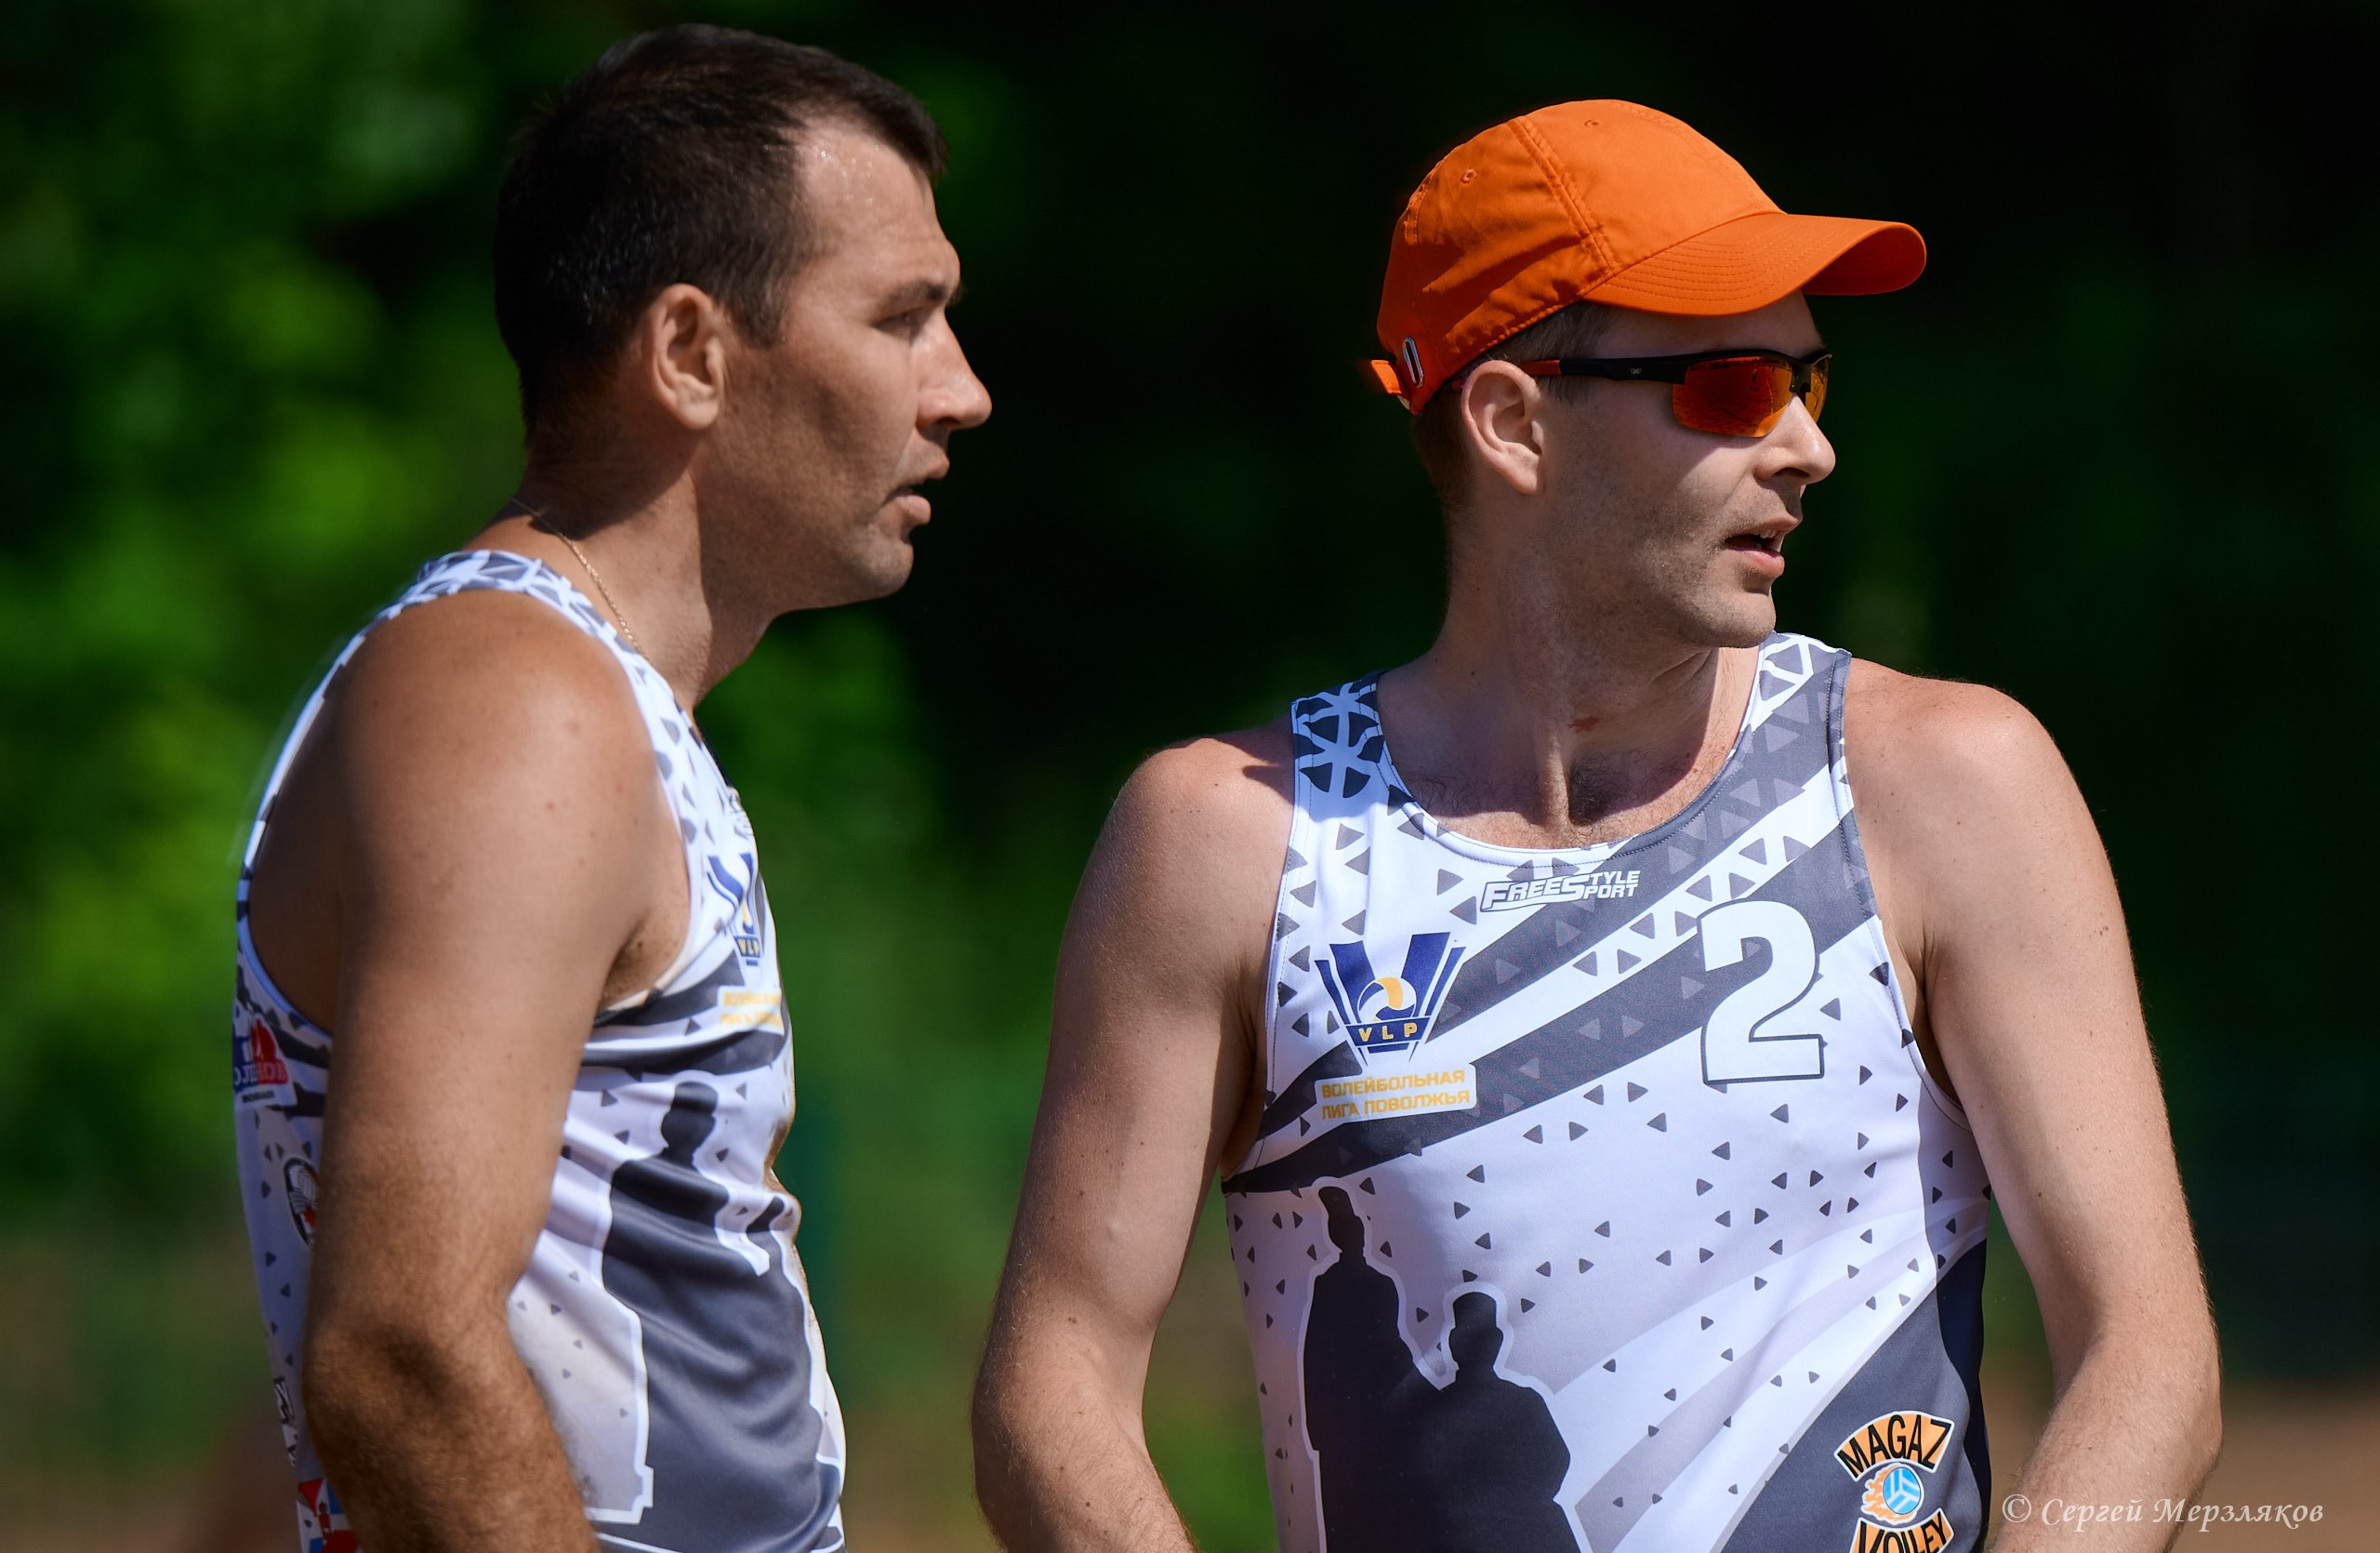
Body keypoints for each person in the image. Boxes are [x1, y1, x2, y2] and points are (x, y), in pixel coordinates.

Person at [972, 101, 2217, 1553]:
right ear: (1512, 421)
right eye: (1736, 387)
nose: (1808, 446)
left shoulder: (1949, 781)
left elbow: (2151, 1354)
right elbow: (1048, 1393)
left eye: (1815, 382)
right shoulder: (1226, 840)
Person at [231, 25, 988, 1553]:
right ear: (692, 352)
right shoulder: (517, 701)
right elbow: (400, 1354)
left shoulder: (593, 701)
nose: (961, 391)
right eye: (904, 318)